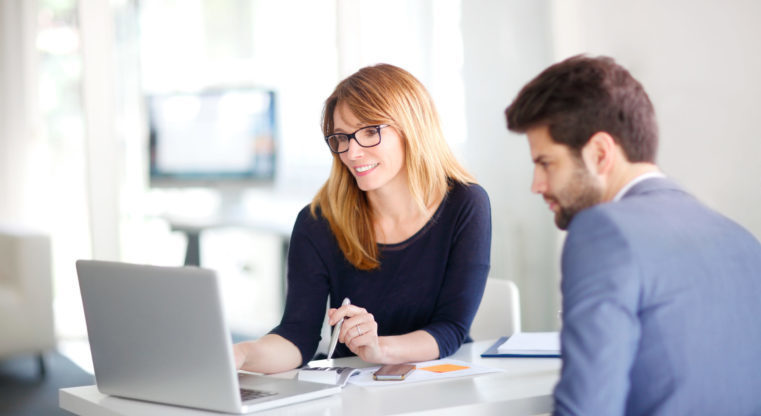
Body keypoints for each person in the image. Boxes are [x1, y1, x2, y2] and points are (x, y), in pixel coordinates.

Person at [504, 55, 761, 415]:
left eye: (546, 163)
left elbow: (588, 409)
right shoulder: (741, 239)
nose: (537, 185)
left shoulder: (602, 231)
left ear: (600, 153)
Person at [234, 64, 491, 374]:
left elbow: (451, 328)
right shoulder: (318, 222)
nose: (352, 153)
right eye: (342, 137)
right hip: (354, 390)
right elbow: (297, 335)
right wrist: (243, 353)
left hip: (440, 382)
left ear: (411, 128)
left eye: (370, 131)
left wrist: (379, 348)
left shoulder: (464, 204)